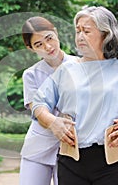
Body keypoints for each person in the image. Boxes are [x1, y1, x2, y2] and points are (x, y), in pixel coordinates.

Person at [32, 6, 118, 185]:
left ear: (106, 34)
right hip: (72, 161)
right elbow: (39, 104)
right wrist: (52, 122)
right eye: (77, 30)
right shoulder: (65, 71)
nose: (80, 36)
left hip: (115, 160)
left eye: (86, 31)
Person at [19, 16, 76, 185]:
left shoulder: (82, 65)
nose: (48, 47)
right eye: (39, 45)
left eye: (49, 38)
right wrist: (54, 123)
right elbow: (37, 110)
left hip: (72, 147)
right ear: (31, 48)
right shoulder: (31, 75)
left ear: (56, 33)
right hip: (38, 146)